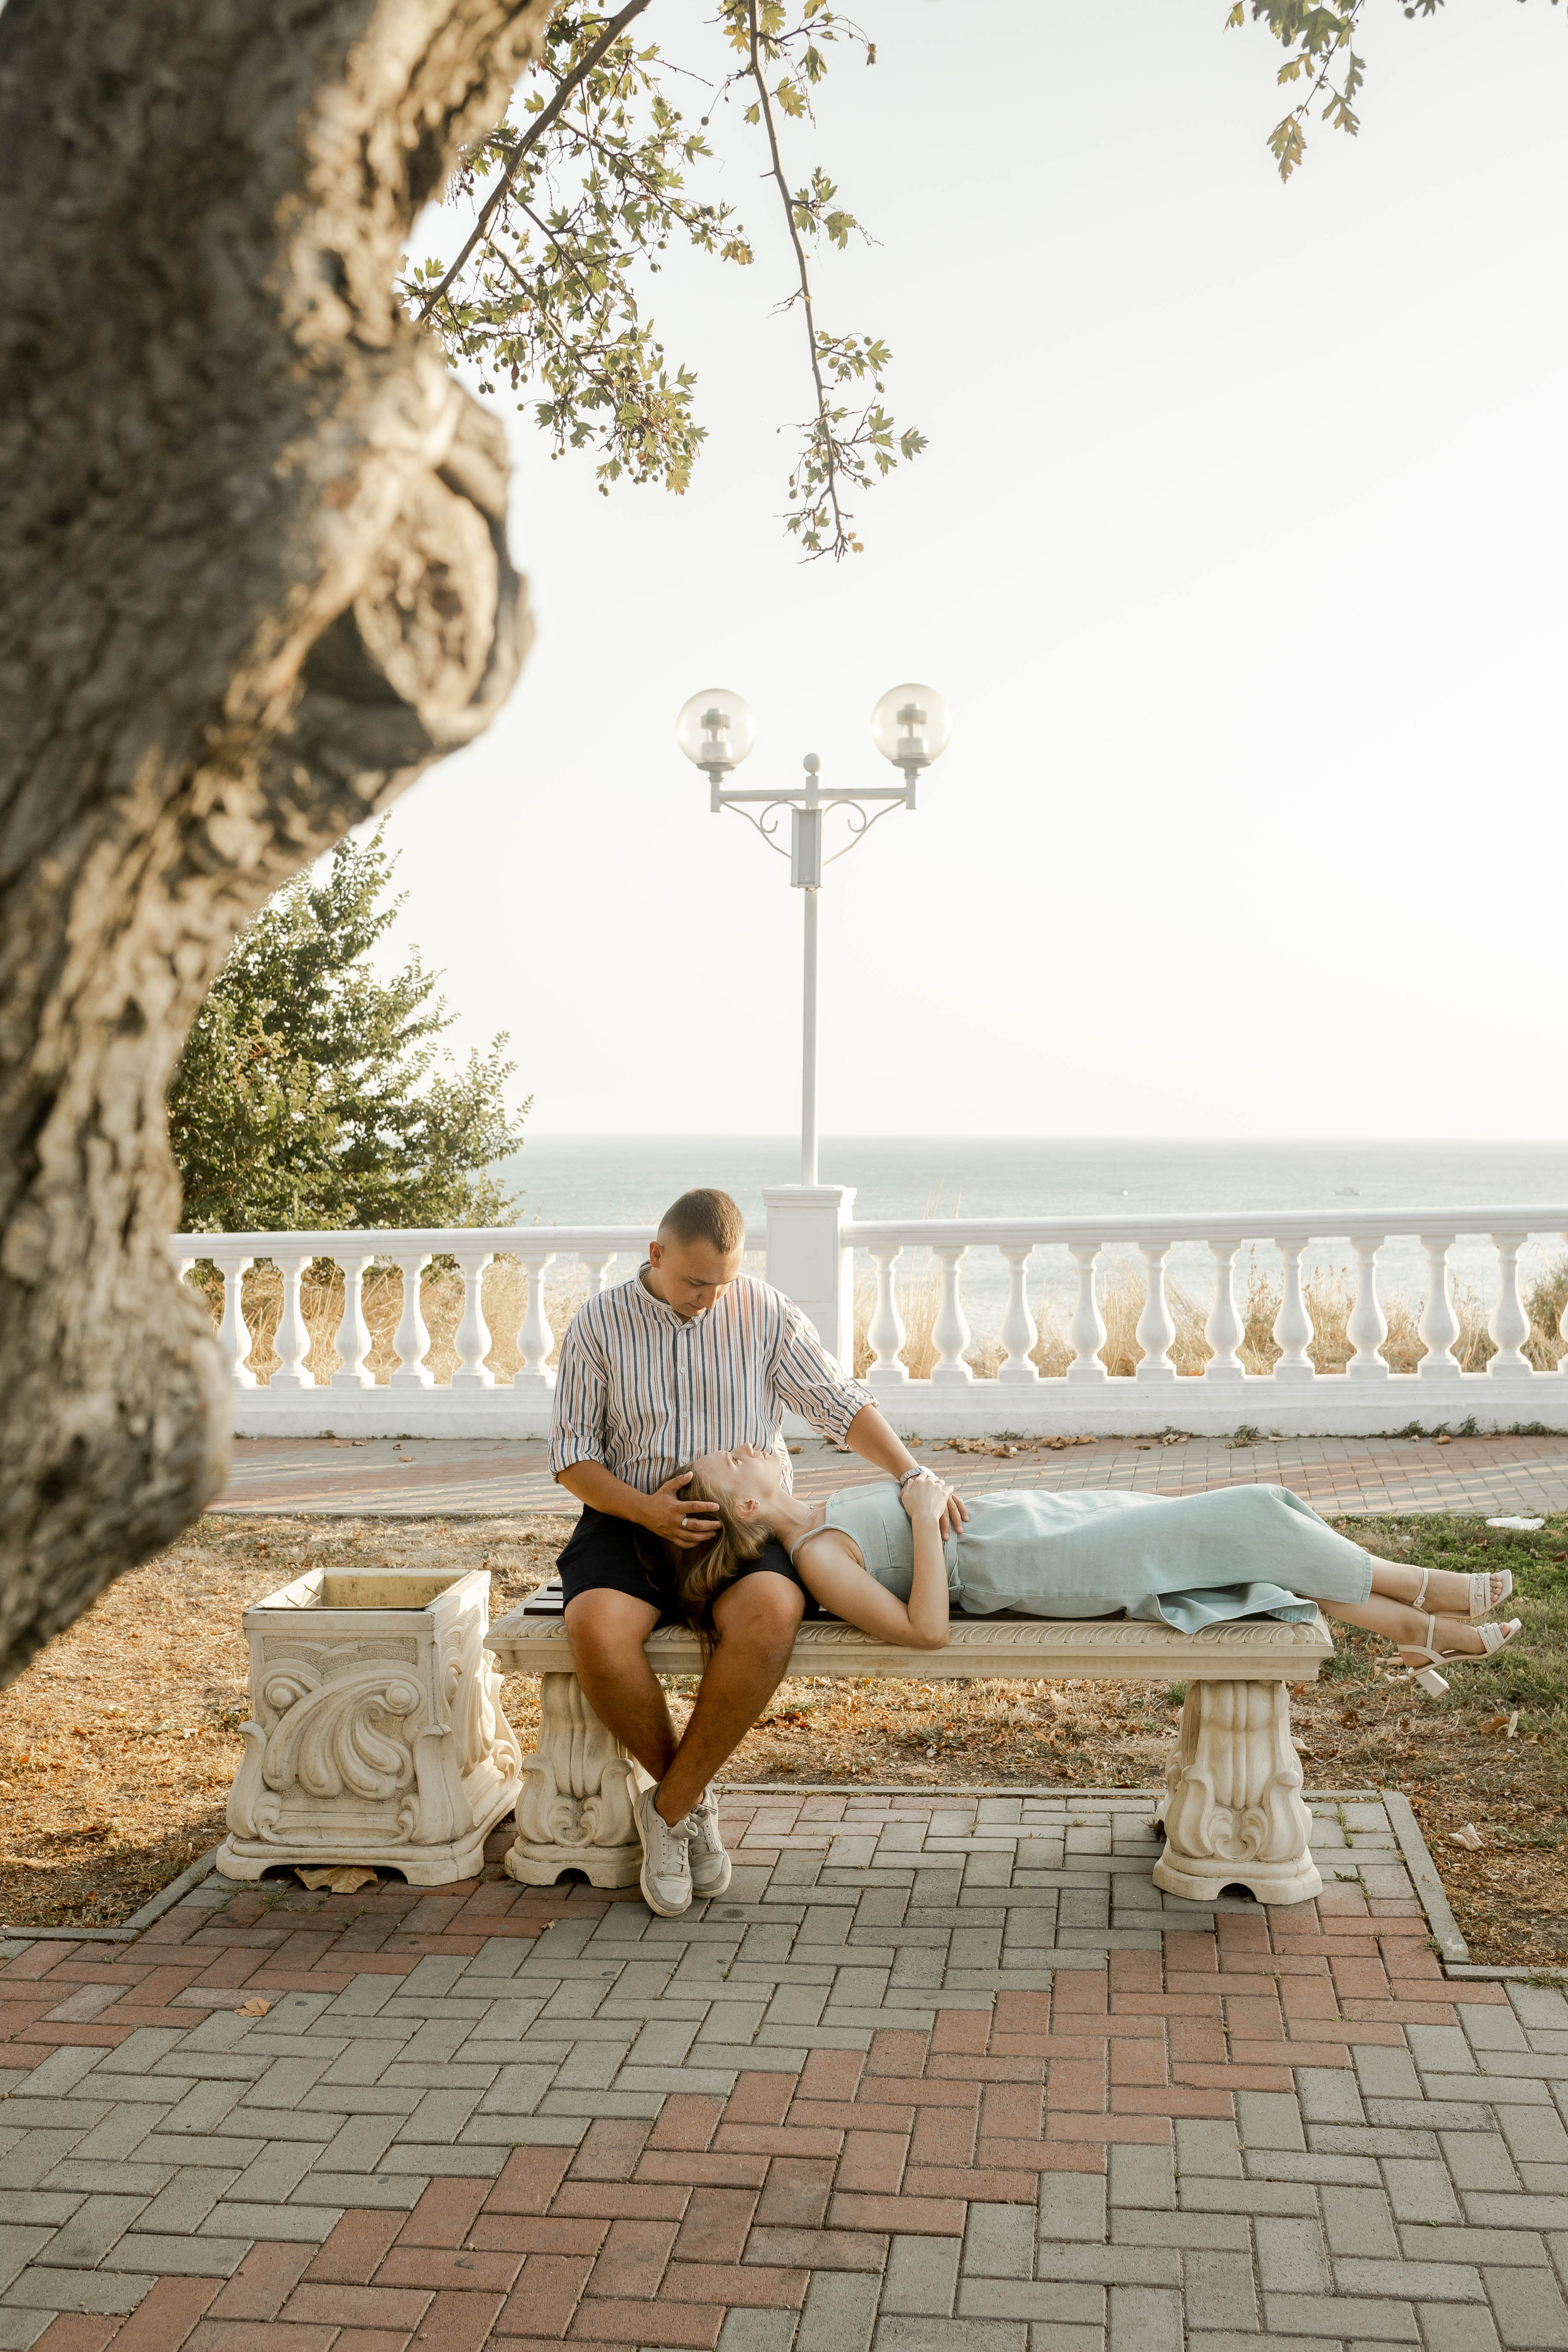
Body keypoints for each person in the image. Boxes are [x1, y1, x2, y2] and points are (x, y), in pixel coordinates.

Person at [548, 1186, 967, 1917]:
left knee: (774, 1608)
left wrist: (910, 1471)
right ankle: (691, 1806)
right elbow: (573, 1457)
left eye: (723, 1282)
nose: (710, 1298)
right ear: (656, 1255)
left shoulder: (762, 1311)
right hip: (630, 1513)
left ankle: (668, 1809)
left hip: (743, 1522)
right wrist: (647, 1510)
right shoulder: (598, 1324)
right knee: (594, 1629)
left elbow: (839, 1400)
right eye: (695, 1283)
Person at [671, 1444, 1523, 1695]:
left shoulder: (823, 1515)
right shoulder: (819, 1557)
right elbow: (926, 1630)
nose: (749, 1447)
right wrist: (926, 1518)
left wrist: (921, 1497)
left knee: (1267, 1521)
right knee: (1257, 1511)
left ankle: (1416, 1632)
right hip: (1049, 1565)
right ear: (746, 1509)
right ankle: (1424, 1592)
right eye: (731, 1460)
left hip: (1055, 1518)